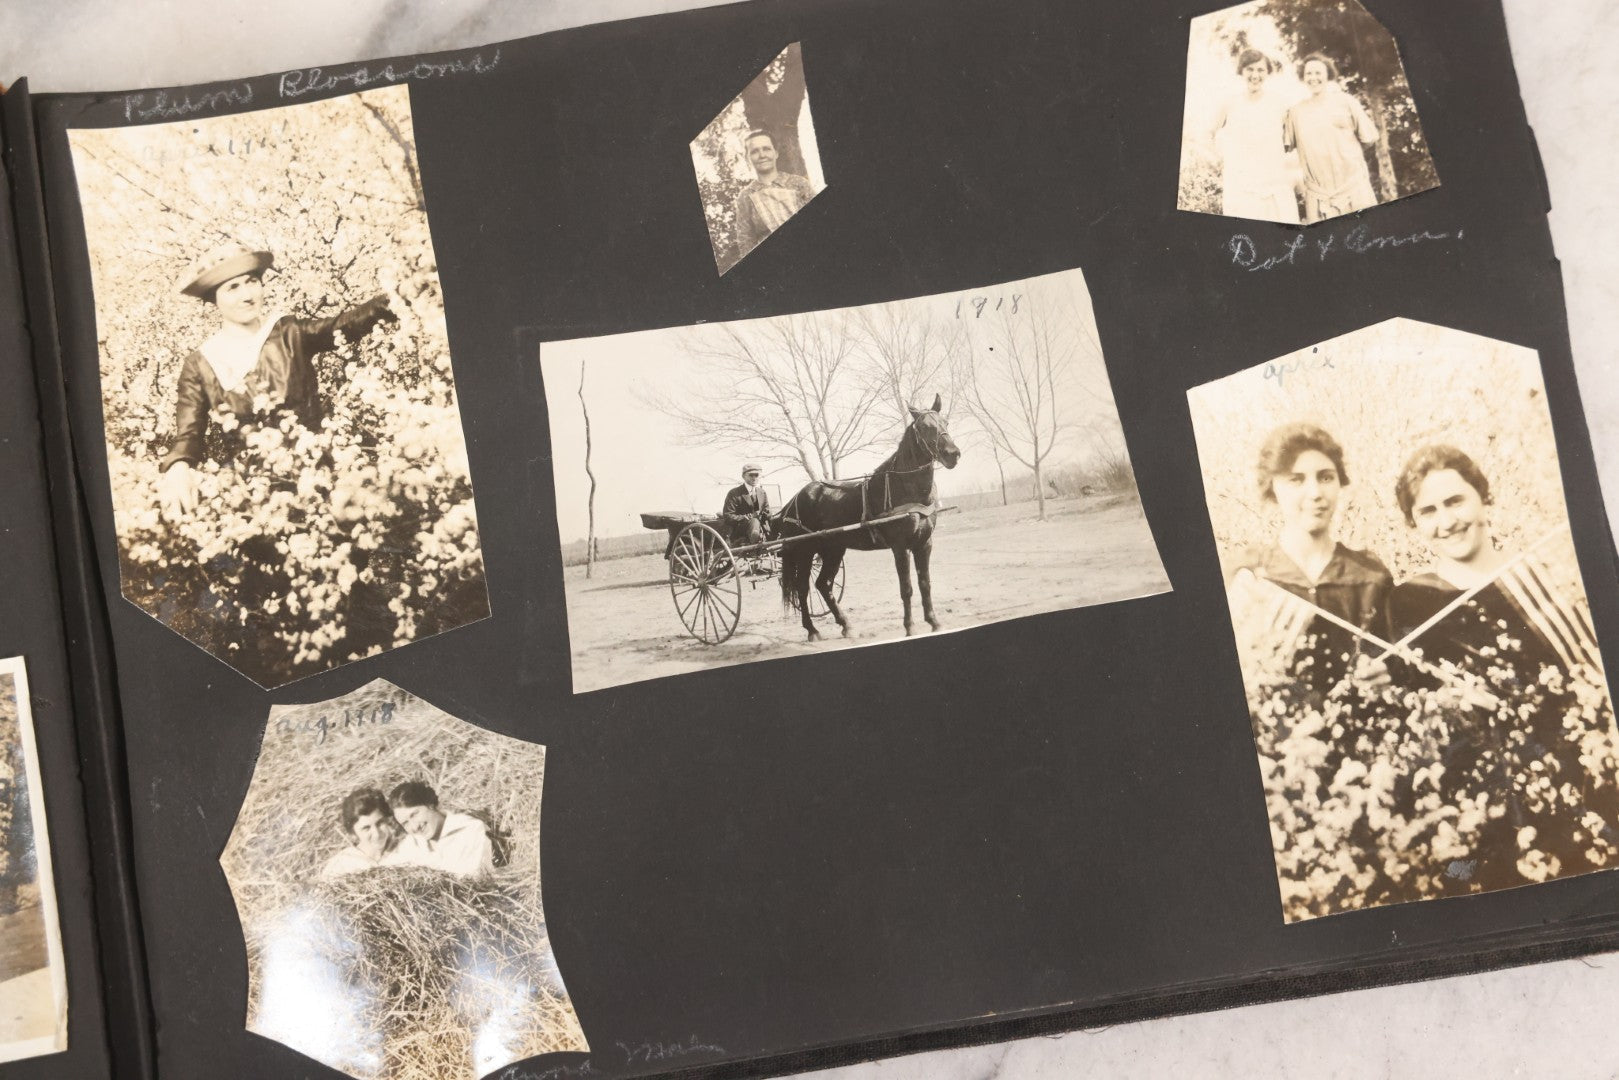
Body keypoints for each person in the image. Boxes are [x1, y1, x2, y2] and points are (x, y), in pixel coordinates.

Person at [1388, 444, 1617, 891]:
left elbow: (1592, 672)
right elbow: (1419, 718)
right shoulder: (1410, 602)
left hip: (1587, 773)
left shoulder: (1541, 574)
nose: (1447, 521)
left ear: (1483, 498)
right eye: (1428, 511)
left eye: (1456, 501)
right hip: (1491, 801)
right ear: (1414, 526)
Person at [157, 242, 397, 521]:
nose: (247, 295)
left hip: (319, 478)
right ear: (214, 300)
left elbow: (343, 325)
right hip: (253, 499)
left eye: (252, 282)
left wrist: (394, 298)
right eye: (232, 288)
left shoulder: (288, 333)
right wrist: (178, 468)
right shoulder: (201, 363)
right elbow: (189, 432)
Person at [1225, 422, 1394, 693]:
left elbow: (1395, 664)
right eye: (1296, 480)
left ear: (1340, 484)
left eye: (1326, 477)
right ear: (1273, 487)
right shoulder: (1247, 573)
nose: (1315, 493)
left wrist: (1386, 673)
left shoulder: (1370, 576)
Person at [1283, 53, 1380, 223]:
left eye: (1318, 73)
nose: (1313, 78)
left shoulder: (1346, 102)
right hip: (1319, 197)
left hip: (1354, 189)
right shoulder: (1296, 113)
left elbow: (1369, 138)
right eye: (1309, 74)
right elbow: (1282, 147)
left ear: (1328, 74)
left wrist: (1344, 154)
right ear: (1303, 77)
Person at [1207, 49, 1299, 223]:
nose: (1255, 75)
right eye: (1250, 69)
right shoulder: (1231, 103)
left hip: (1274, 184)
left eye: (1260, 70)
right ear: (1241, 70)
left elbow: (1294, 140)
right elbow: (1207, 133)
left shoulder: (1279, 103)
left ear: (1268, 73)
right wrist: (1217, 158)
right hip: (1240, 185)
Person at [387, 781, 495, 879]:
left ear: (430, 805)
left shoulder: (469, 829)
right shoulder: (411, 843)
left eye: (414, 814)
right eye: (405, 823)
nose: (414, 827)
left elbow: (472, 880)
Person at [732, 130, 817, 253]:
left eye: (766, 149)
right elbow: (746, 241)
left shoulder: (798, 183)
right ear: (747, 158)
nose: (762, 155)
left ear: (776, 153)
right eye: (755, 151)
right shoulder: (745, 196)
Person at [319, 788, 406, 879]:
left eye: (380, 823)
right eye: (366, 828)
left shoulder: (404, 849)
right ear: (353, 832)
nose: (376, 833)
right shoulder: (342, 865)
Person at [721, 463, 771, 546]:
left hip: (761, 529)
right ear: (743, 476)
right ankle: (755, 542)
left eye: (756, 475)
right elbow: (728, 516)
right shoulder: (734, 493)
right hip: (739, 531)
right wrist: (746, 517)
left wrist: (766, 514)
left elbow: (767, 510)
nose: (754, 478)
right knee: (754, 521)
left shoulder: (762, 492)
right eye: (751, 475)